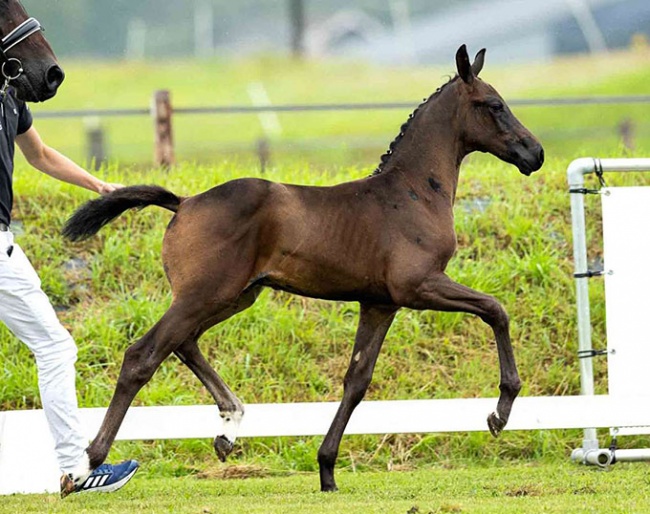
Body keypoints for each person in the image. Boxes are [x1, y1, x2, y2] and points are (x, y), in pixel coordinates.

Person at [0, 86, 139, 498]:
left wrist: (99, 187)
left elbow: (39, 155)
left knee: (55, 347)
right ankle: (75, 470)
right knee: (55, 348)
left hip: (4, 241)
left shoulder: (10, 98)